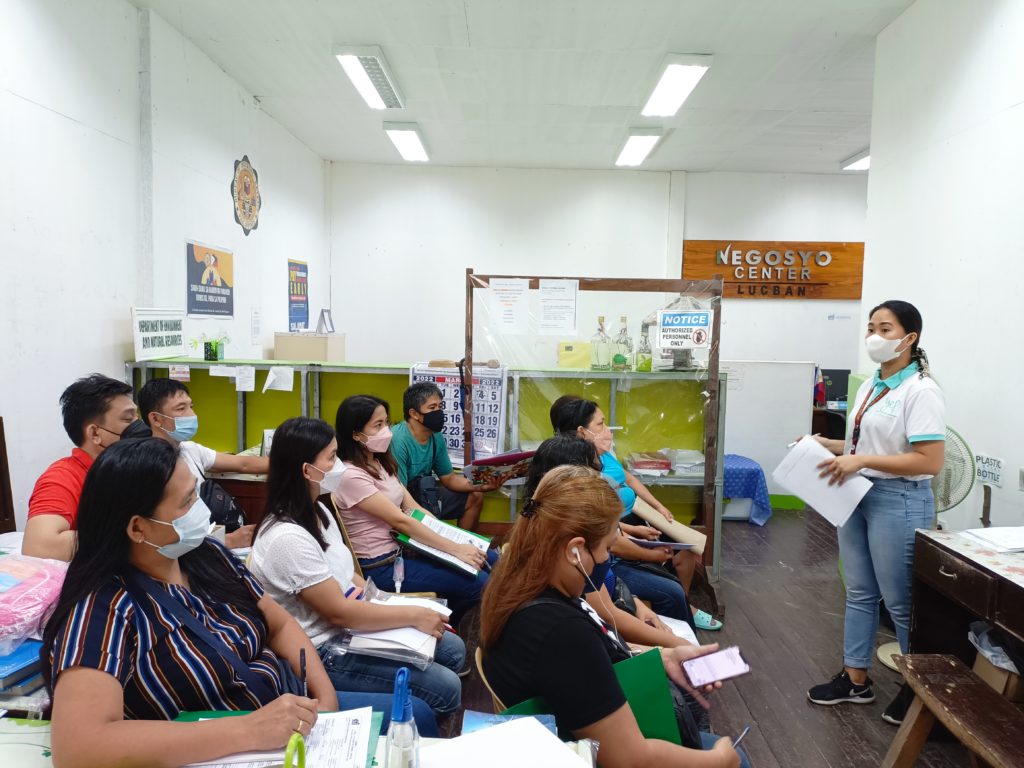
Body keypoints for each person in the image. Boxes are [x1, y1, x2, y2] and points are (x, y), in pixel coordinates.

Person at [40, 438, 436, 768]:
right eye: (186, 502)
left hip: (289, 711)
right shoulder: (103, 609)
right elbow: (79, 747)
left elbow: (279, 624)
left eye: (197, 494)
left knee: (416, 717)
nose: (202, 511)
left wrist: (325, 696)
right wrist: (250, 729)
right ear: (137, 527)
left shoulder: (205, 558)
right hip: (231, 740)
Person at [481, 465, 744, 768]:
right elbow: (628, 758)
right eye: (607, 547)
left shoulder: (519, 583)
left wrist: (663, 658)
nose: (607, 558)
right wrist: (719, 760)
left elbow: (579, 675)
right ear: (576, 550)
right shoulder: (560, 632)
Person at [250, 416, 465, 717]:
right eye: (331, 457)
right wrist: (412, 614)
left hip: (349, 624)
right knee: (447, 687)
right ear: (306, 470)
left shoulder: (319, 510)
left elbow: (348, 578)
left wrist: (392, 606)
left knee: (452, 649)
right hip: (325, 648)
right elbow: (338, 612)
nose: (339, 465)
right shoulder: (287, 537)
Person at [807, 300, 944, 726]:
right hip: (857, 495)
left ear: (910, 338)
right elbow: (863, 445)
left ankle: (917, 690)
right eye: (871, 327)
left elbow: (929, 460)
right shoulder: (870, 386)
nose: (874, 336)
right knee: (861, 592)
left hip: (899, 500)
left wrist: (861, 461)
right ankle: (855, 678)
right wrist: (827, 446)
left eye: (885, 329)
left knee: (902, 602)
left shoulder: (920, 390)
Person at [550, 395, 716, 630]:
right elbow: (609, 541)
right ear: (582, 432)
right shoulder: (579, 478)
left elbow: (611, 527)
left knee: (683, 554)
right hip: (613, 553)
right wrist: (649, 554)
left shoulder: (600, 457)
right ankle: (681, 622)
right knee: (671, 591)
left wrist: (655, 510)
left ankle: (681, 619)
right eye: (601, 424)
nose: (608, 430)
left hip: (627, 528)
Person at [332, 395, 494, 627]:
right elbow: (400, 521)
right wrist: (455, 549)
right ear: (356, 434)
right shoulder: (350, 475)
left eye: (386, 422)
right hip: (382, 566)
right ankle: (446, 628)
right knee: (479, 583)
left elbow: (412, 508)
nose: (387, 431)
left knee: (488, 556)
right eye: (378, 425)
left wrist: (456, 538)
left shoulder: (380, 462)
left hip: (404, 550)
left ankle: (445, 621)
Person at [523, 434, 696, 650]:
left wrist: (637, 604)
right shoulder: (569, 570)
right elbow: (606, 620)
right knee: (672, 593)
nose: (609, 554)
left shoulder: (565, 533)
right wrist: (679, 646)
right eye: (596, 471)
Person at [22, 374, 138, 560]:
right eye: (128, 420)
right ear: (95, 433)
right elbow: (39, 546)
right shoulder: (62, 477)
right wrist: (137, 533)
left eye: (137, 418)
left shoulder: (130, 469)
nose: (138, 427)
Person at [139, 378, 265, 548]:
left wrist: (292, 462)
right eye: (181, 409)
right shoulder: (148, 466)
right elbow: (167, 536)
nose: (192, 415)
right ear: (156, 418)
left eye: (191, 406)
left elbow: (243, 464)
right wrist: (228, 541)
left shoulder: (189, 450)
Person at [391, 382, 502, 532]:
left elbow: (449, 479)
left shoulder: (435, 436)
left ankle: (465, 545)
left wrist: (481, 485)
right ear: (414, 414)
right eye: (432, 408)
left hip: (424, 493)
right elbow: (398, 495)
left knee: (475, 496)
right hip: (402, 499)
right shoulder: (398, 440)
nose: (438, 412)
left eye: (440, 407)